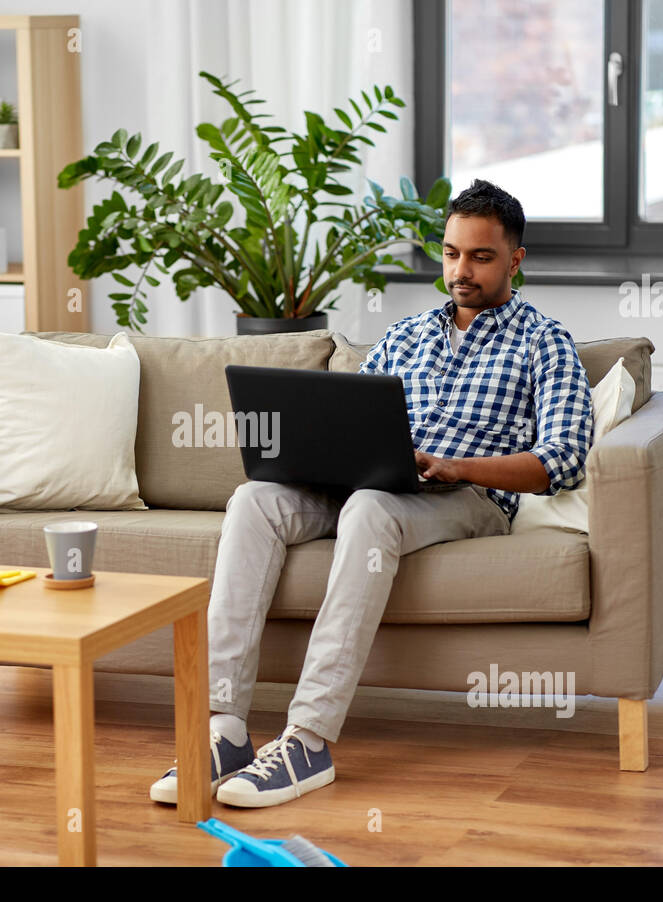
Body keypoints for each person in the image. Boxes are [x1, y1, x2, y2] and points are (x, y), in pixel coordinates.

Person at [150, 179, 595, 808]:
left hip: (465, 497)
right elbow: (346, 417)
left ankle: (308, 740)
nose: (460, 271)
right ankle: (222, 730)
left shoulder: (545, 342)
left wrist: (455, 466)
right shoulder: (406, 334)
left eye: (480, 257)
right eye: (451, 254)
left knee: (370, 508)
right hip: (370, 480)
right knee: (254, 499)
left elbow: (562, 461)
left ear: (515, 260)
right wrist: (321, 455)